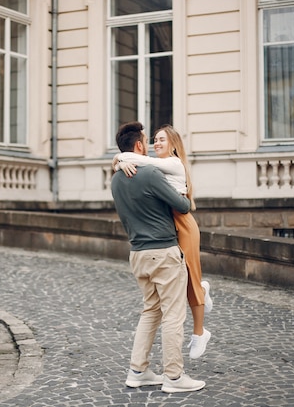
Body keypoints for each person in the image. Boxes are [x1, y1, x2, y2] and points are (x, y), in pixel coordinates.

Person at [111, 121, 206, 394]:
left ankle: (137, 370)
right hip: (163, 252)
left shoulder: (116, 178)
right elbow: (183, 204)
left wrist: (118, 161)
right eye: (147, 141)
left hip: (137, 254)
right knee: (173, 315)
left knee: (151, 311)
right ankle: (174, 377)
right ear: (139, 146)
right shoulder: (151, 173)